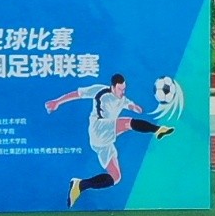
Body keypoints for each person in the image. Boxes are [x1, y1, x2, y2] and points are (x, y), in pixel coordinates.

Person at [47, 70, 167, 208]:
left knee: (115, 177)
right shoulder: (100, 91)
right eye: (120, 89)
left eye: (124, 89)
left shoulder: (122, 98)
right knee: (127, 123)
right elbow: (77, 94)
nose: (123, 92)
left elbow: (129, 104)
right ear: (113, 86)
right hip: (98, 129)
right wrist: (57, 102)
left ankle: (81, 185)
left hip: (104, 142)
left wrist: (135, 107)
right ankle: (157, 130)